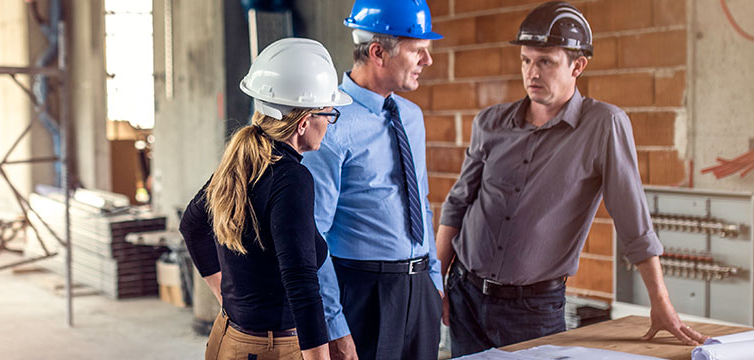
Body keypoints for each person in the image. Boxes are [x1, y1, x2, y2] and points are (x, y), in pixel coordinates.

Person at [435, 2, 709, 356]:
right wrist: (437, 284)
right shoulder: (490, 122)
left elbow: (634, 222)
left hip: (533, 310)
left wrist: (661, 301)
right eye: (526, 60)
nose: (532, 72)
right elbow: (458, 204)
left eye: (546, 61)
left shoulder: (603, 125)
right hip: (465, 296)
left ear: (578, 65)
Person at [180, 38, 351, 360]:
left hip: (229, 336)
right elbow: (301, 281)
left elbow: (191, 225)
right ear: (304, 122)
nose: (330, 123)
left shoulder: (243, 159)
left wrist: (225, 295)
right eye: (329, 114)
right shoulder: (292, 178)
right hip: (271, 347)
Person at [299, 0, 443, 358]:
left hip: (419, 288)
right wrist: (333, 323)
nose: (428, 61)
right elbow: (311, 235)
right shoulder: (330, 124)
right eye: (419, 51)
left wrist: (434, 281)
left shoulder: (411, 116)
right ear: (378, 52)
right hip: (364, 294)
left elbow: (421, 202)